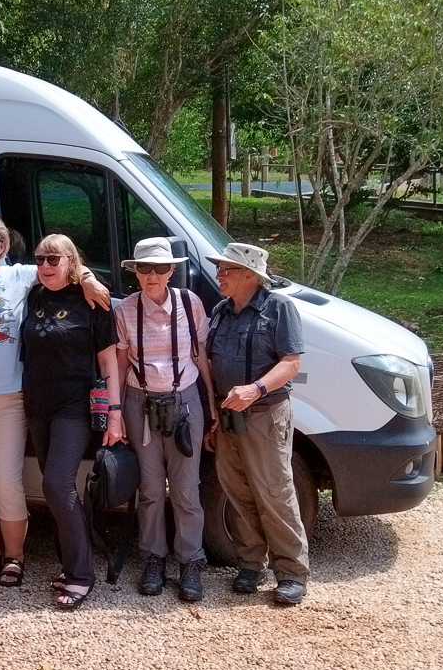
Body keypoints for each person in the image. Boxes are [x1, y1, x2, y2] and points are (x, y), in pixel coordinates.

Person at [0, 213, 109, 588]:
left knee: (7, 482)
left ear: (4, 246)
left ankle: (15, 557)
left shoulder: (22, 276)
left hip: (12, 396)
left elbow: (63, 266)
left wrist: (88, 278)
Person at [20, 234, 124, 610]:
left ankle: (81, 574)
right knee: (55, 490)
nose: (45, 266)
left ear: (70, 261)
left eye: (53, 260)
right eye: (40, 259)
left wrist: (115, 412)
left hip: (75, 406)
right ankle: (71, 565)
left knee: (57, 483)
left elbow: (109, 361)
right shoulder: (34, 296)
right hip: (38, 405)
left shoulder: (92, 301)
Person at [204, 241, 309, 605]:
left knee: (274, 493)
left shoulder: (279, 308)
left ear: (250, 275)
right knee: (238, 490)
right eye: (219, 268)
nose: (219, 274)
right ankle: (251, 564)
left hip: (265, 415)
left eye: (226, 270)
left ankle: (292, 573)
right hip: (228, 417)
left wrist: (255, 389)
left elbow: (291, 363)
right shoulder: (220, 310)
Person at [113, 237, 215, 601]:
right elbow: (121, 363)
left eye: (159, 268)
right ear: (135, 272)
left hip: (185, 401)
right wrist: (116, 412)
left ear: (172, 270)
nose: (152, 275)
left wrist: (212, 408)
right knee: (152, 489)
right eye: (144, 268)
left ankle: (190, 560)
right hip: (139, 402)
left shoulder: (190, 304)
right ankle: (153, 558)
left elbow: (201, 357)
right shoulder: (125, 310)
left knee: (187, 488)